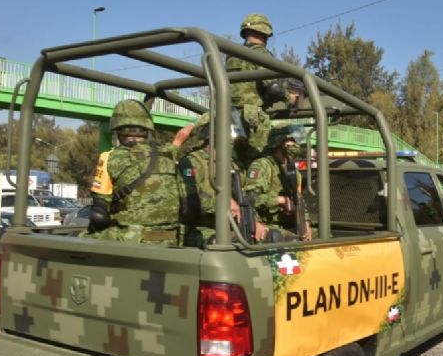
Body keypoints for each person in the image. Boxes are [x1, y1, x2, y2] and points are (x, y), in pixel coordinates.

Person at [86, 99, 183, 245]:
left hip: (133, 239)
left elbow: (98, 216)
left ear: (118, 131)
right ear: (147, 129)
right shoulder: (169, 153)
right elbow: (177, 143)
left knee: (80, 238)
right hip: (173, 238)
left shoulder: (109, 157)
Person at [177, 113, 268, 247]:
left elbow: (243, 199)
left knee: (271, 236)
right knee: (226, 243)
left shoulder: (232, 165)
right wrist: (224, 204)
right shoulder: (191, 162)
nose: (231, 137)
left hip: (231, 226)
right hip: (201, 228)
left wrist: (254, 221)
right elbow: (189, 205)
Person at [224, 13, 287, 152]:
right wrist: (289, 98)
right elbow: (274, 87)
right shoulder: (260, 53)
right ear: (265, 33)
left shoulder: (232, 56)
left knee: (238, 159)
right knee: (259, 156)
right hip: (252, 114)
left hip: (230, 114)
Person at [244, 125, 312, 241]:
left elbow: (299, 200)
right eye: (290, 142)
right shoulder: (263, 165)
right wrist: (279, 200)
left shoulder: (293, 170)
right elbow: (250, 199)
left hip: (289, 225)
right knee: (290, 239)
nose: (294, 146)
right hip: (267, 225)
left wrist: (305, 222)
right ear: (278, 143)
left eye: (295, 142)